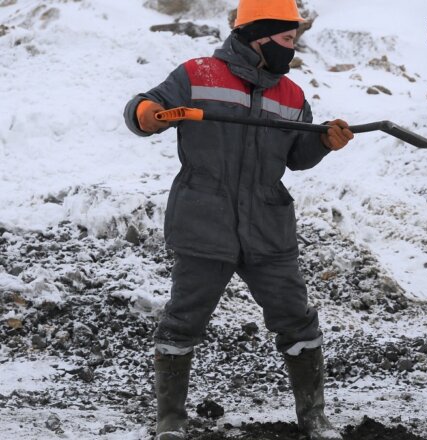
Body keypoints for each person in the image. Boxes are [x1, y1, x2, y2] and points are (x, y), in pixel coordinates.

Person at [122, 1, 353, 439]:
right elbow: (145, 106)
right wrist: (145, 116)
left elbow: (296, 157)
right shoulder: (198, 75)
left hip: (267, 226)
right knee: (185, 318)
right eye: (287, 39)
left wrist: (323, 141)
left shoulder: (291, 95)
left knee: (296, 318)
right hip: (205, 221)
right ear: (260, 35)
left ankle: (313, 417)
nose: (292, 48)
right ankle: (170, 417)